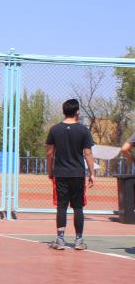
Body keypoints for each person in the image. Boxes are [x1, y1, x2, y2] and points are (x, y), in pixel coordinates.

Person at [46, 99, 95, 250]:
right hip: (77, 174)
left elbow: (49, 153)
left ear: (63, 111)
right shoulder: (83, 130)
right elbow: (88, 153)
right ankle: (79, 240)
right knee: (78, 207)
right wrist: (92, 173)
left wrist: (50, 171)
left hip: (61, 173)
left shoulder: (55, 130)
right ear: (77, 112)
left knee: (61, 206)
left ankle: (60, 239)